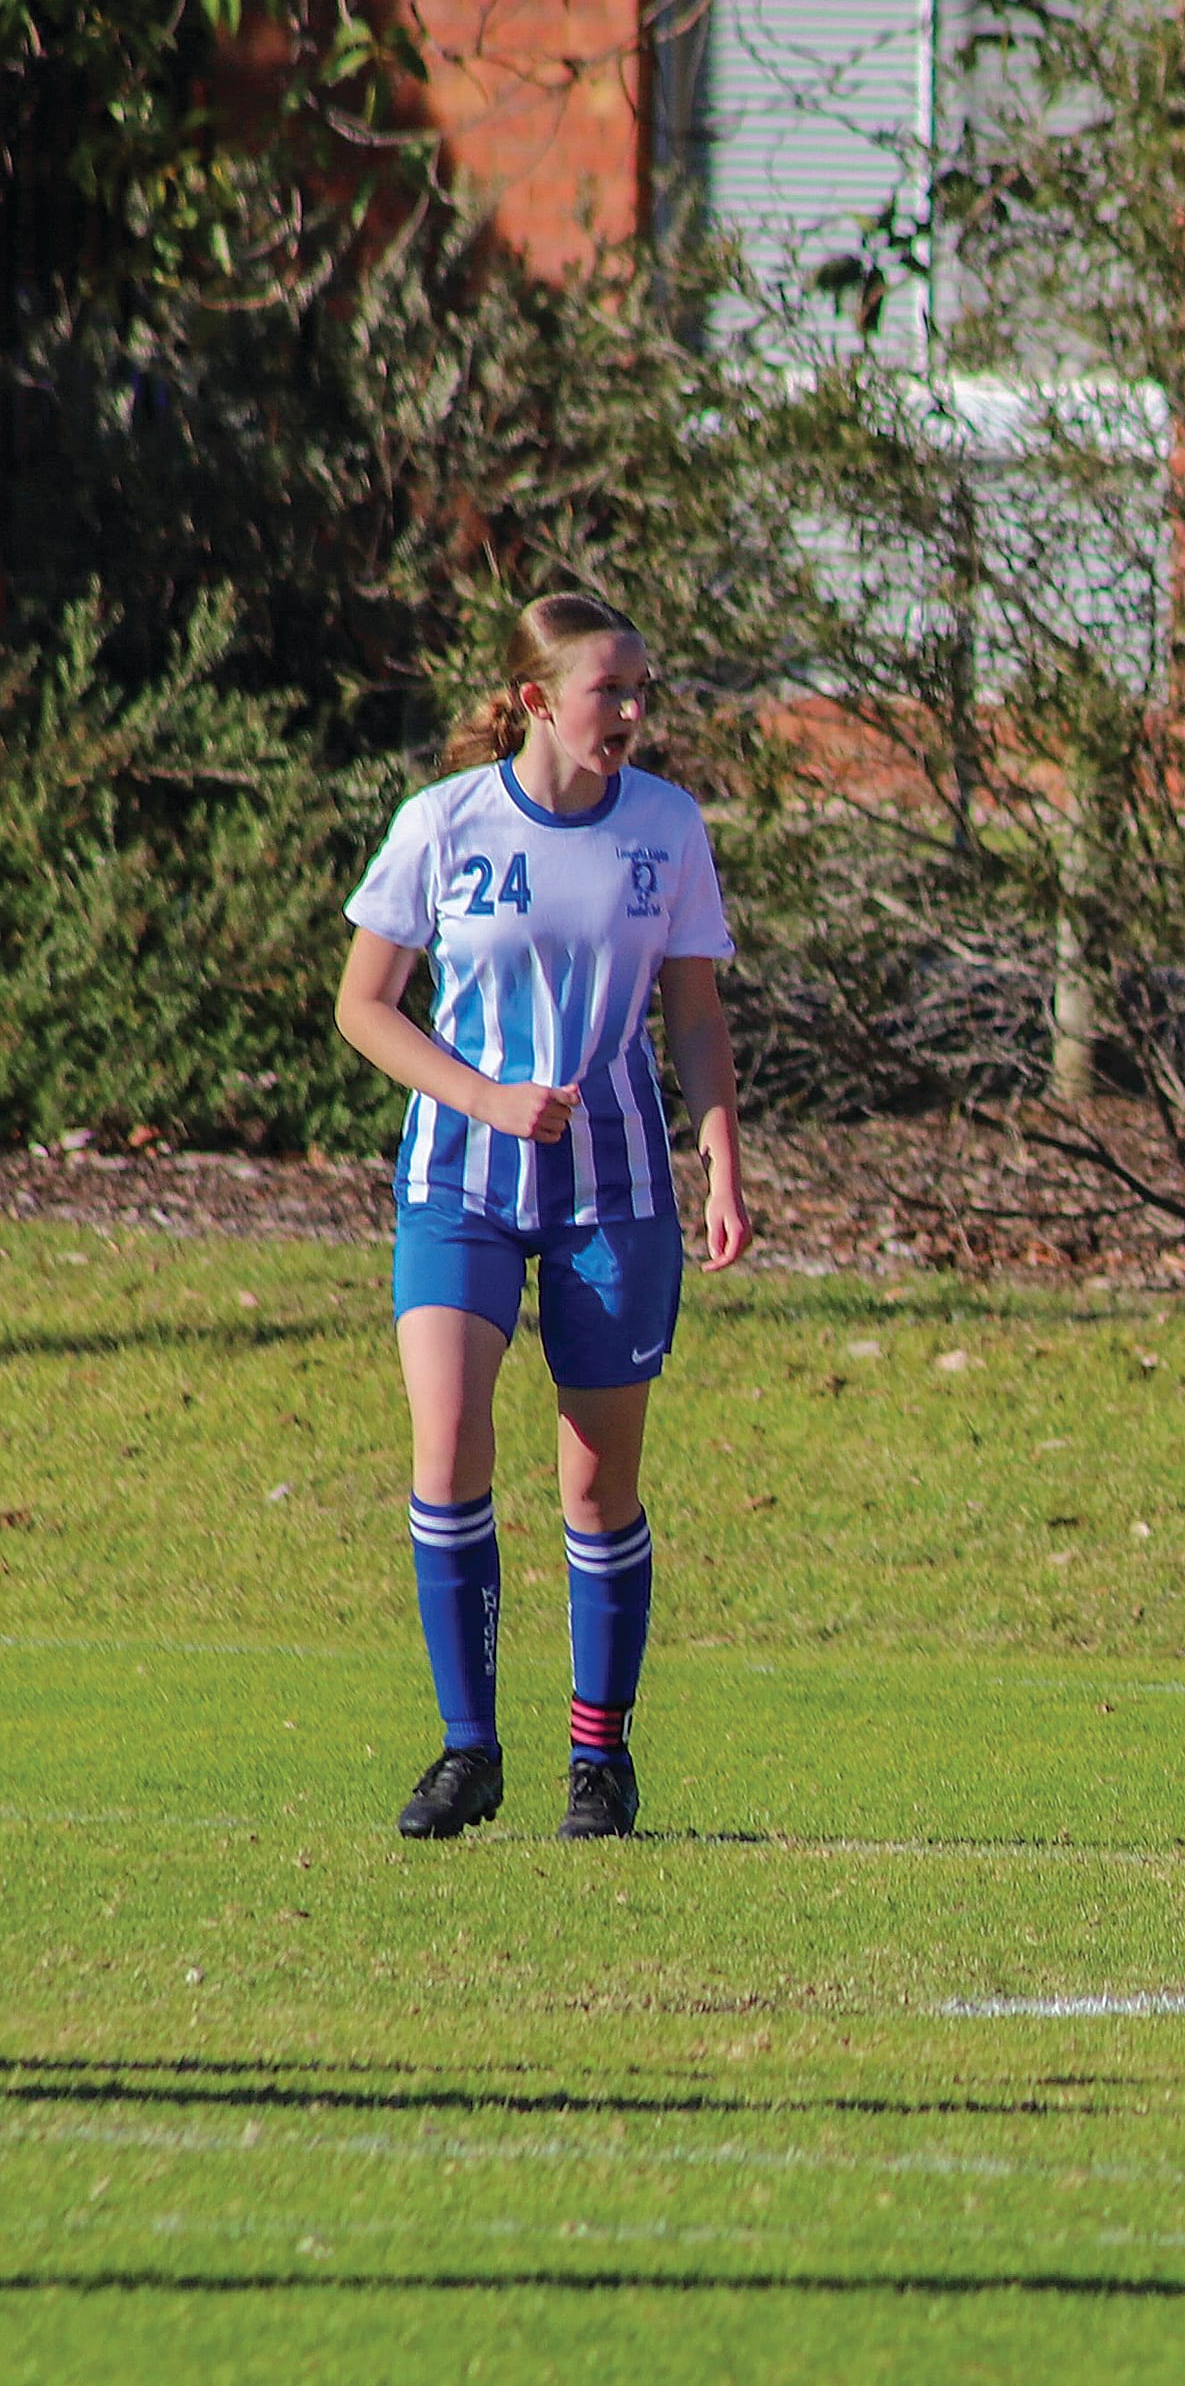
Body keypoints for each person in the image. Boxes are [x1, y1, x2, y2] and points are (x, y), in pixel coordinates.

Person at [335, 591, 751, 1843]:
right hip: (460, 1176)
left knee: (593, 1484)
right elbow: (366, 1005)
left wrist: (721, 1160)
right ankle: (469, 1752)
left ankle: (599, 1758)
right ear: (536, 702)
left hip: (615, 1187)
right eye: (606, 691)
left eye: (641, 691)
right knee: (449, 1445)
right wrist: (486, 1097)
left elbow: (693, 1014)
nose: (629, 713)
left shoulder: (667, 828)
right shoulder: (443, 825)